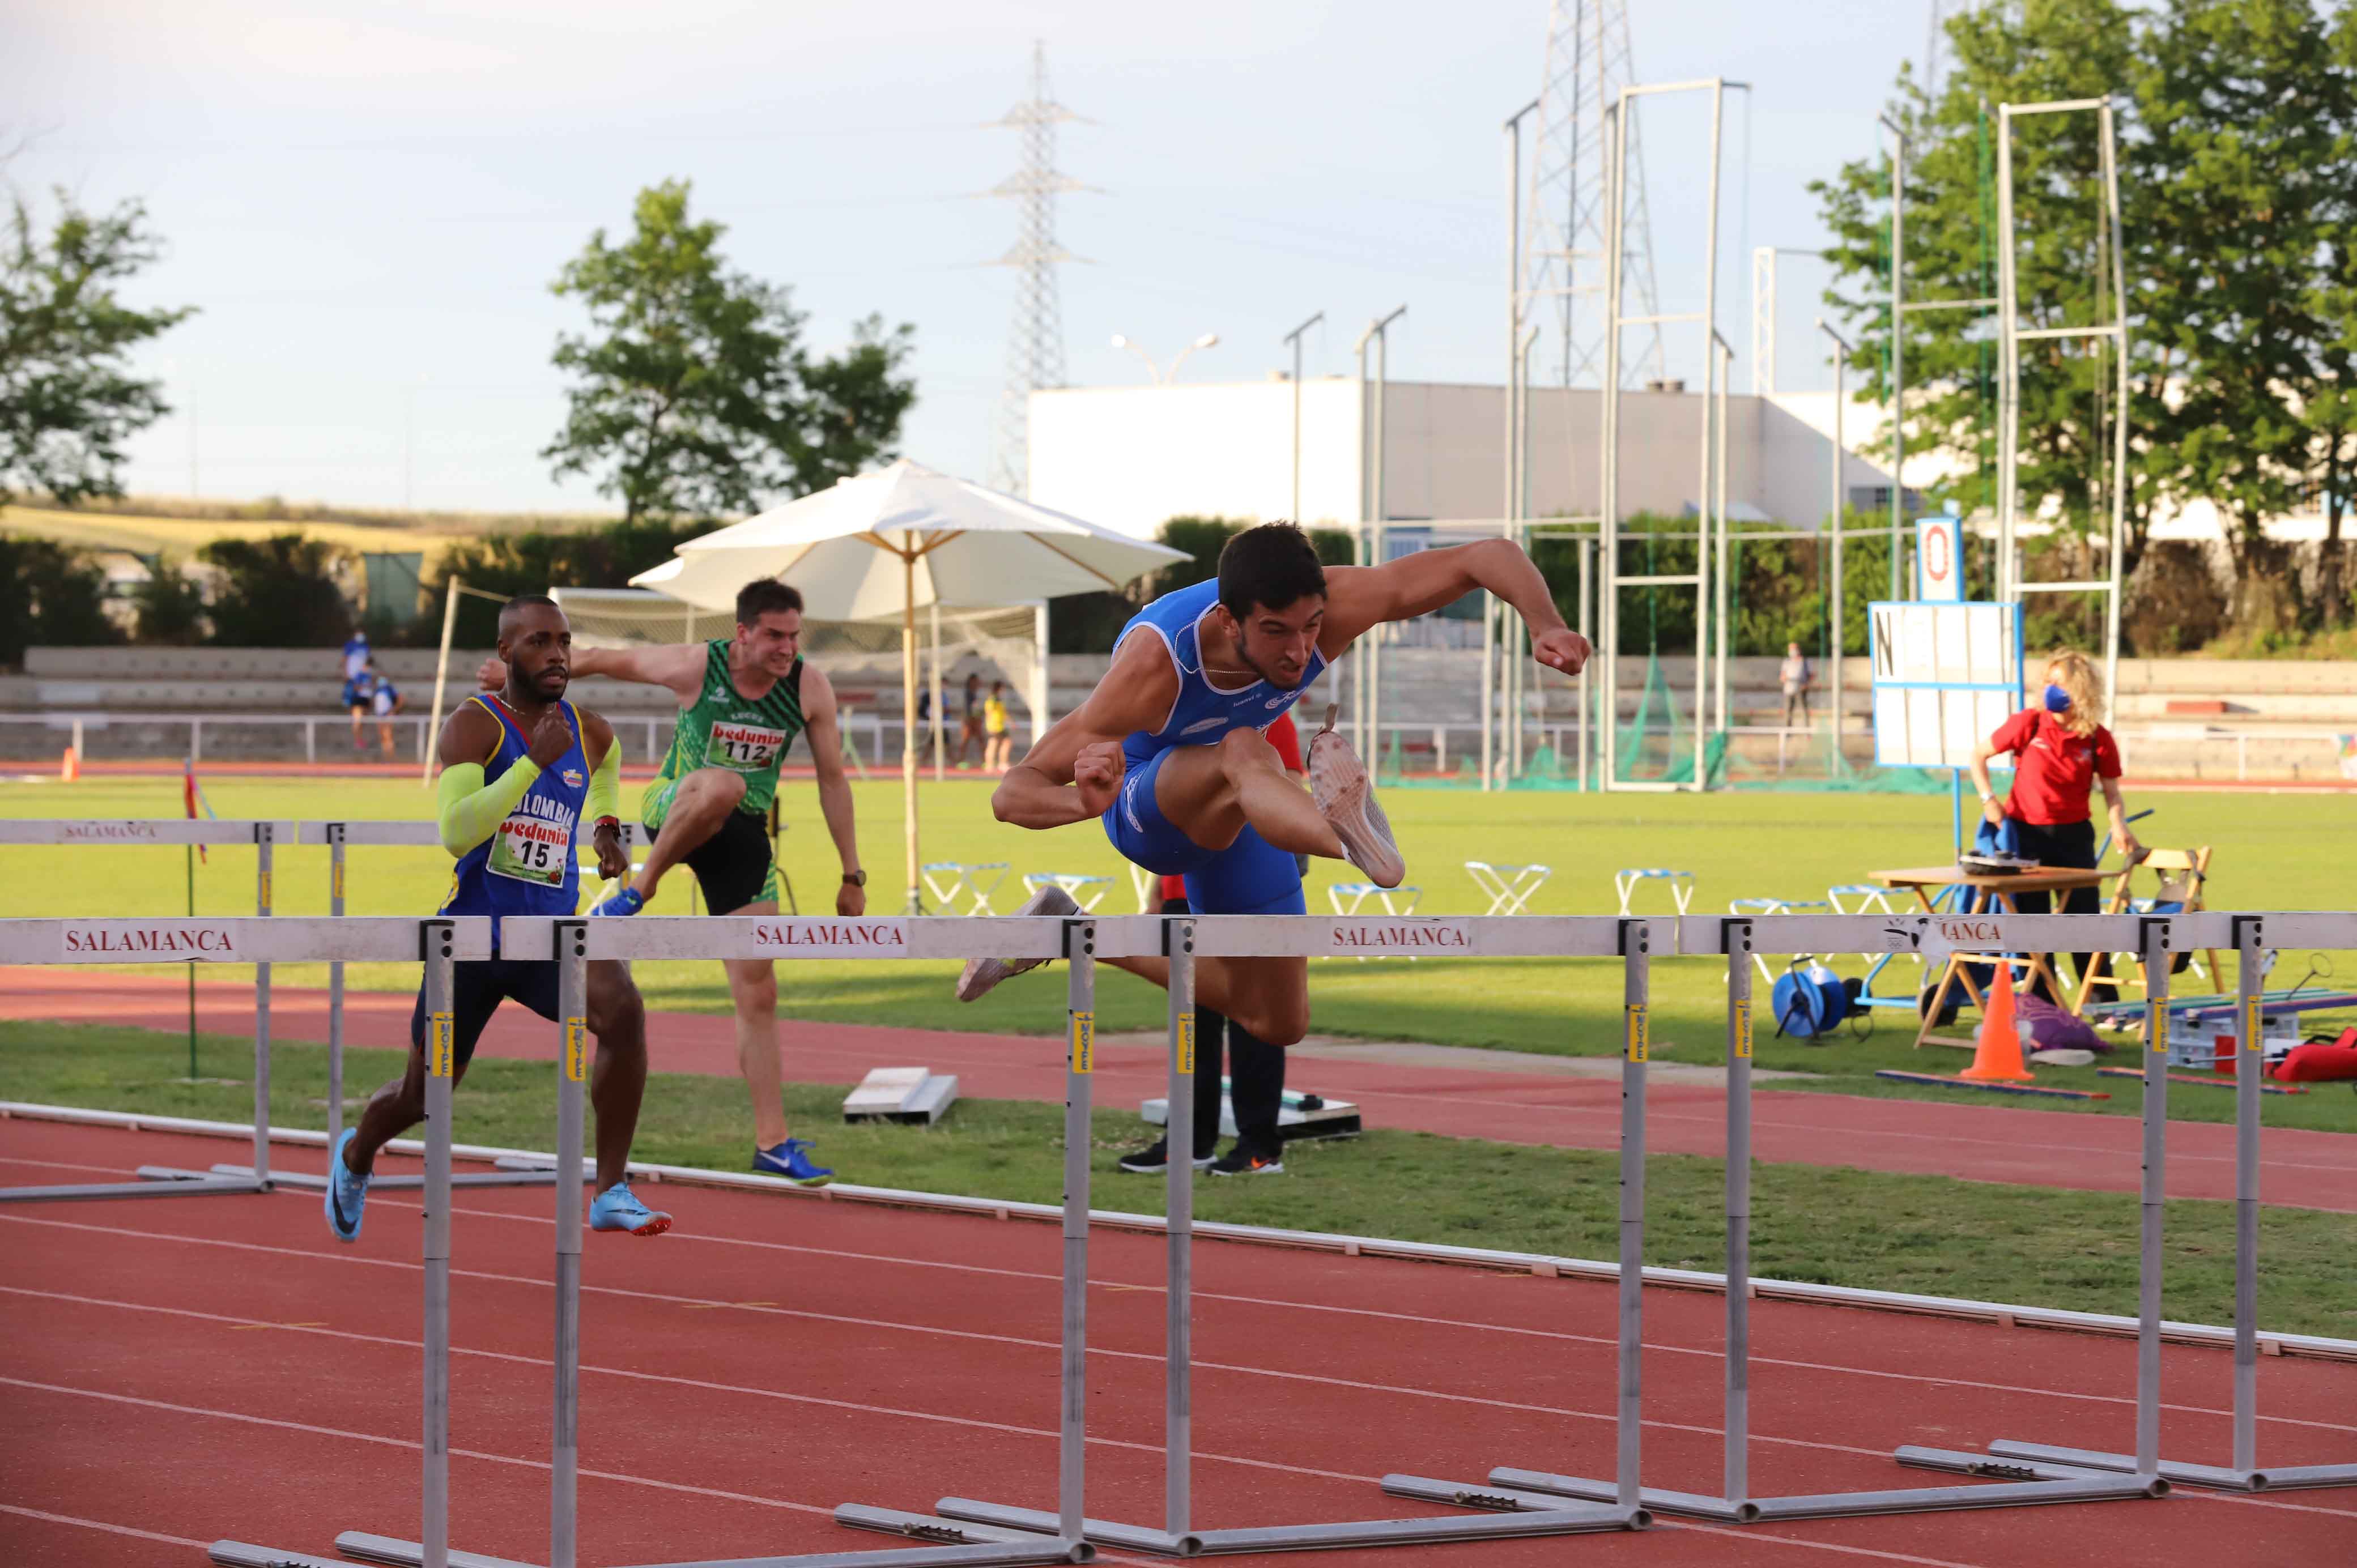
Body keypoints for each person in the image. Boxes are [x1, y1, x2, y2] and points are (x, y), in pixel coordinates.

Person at [959, 521, 1588, 1054]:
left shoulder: (1338, 603)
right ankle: (1345, 834)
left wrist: (1543, 624)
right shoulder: (1154, 668)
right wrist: (1080, 800)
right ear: (1229, 620)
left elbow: (1484, 556)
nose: (1299, 652)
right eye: (1277, 633)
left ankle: (1071, 926)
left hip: (1242, 809)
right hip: (1147, 811)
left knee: (1277, 1022)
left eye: (1311, 626)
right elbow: (1011, 792)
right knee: (1243, 746)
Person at [477, 578, 860, 1184]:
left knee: (758, 992)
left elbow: (833, 780)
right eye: (774, 635)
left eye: (794, 635)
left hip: (740, 839)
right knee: (720, 783)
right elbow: (604, 658)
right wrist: (519, 676)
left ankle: (772, 1142)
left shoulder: (808, 686)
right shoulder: (694, 665)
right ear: (742, 632)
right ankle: (641, 887)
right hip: (674, 808)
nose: (787, 647)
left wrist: (851, 872)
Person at [327, 595, 669, 1242]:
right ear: (506, 651)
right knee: (423, 1095)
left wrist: (603, 826)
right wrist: (531, 764)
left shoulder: (589, 728)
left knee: (623, 1009)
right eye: (540, 642)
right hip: (472, 939)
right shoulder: (473, 725)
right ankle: (357, 1152)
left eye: (564, 641)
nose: (558, 655)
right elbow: (456, 833)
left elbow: (607, 765)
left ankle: (612, 1187)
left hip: (549, 936)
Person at [1119, 708, 1306, 1178]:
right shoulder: (1169, 719)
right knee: (1190, 1028)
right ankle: (1189, 1139)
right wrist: (1154, 896)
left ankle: (1259, 1146)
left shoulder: (1267, 715)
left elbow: (1290, 799)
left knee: (1255, 1025)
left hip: (1246, 899)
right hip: (1182, 894)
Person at [1967, 649, 2141, 1004]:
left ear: (2080, 691)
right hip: (2026, 835)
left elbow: (2111, 793)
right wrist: (1989, 800)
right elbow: (1977, 756)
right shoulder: (2029, 723)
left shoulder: (2097, 738)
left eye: (2059, 683)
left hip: (2074, 837)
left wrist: (2118, 824)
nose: (2051, 690)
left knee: (2085, 922)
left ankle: (2102, 1002)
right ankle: (2042, 1003)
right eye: (2048, 682)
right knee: (2033, 922)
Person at [368, 661, 405, 759]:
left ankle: (391, 756)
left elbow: (400, 699)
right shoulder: (376, 689)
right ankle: (386, 755)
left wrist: (393, 710)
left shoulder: (389, 688)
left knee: (388, 735)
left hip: (388, 714)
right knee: (382, 736)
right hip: (380, 715)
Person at [343, 664, 378, 752]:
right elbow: (356, 687)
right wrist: (365, 686)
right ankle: (357, 741)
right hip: (359, 700)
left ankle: (360, 740)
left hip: (366, 700)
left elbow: (372, 689)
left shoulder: (370, 677)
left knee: (362, 722)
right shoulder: (359, 676)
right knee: (357, 722)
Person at [1779, 641, 1814, 728]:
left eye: (1793, 648)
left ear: (1798, 650)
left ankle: (1807, 731)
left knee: (1804, 710)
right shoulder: (1787, 661)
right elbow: (1782, 676)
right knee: (1788, 711)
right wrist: (1784, 679)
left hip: (1801, 688)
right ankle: (1788, 731)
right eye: (1790, 649)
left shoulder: (1805, 661)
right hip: (1789, 689)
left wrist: (1806, 684)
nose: (1792, 650)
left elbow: (1811, 675)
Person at [982, 679, 1012, 774]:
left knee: (1001, 743)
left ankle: (995, 764)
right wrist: (989, 724)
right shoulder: (993, 699)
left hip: (999, 725)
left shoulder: (997, 699)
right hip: (995, 726)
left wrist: (1010, 721)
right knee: (995, 744)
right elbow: (989, 712)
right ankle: (995, 764)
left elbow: (1003, 713)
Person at [957, 672, 985, 769]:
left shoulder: (972, 693)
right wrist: (974, 718)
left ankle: (985, 760)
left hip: (973, 720)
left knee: (980, 740)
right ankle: (961, 761)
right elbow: (971, 709)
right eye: (976, 681)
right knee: (966, 740)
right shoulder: (969, 693)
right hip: (970, 720)